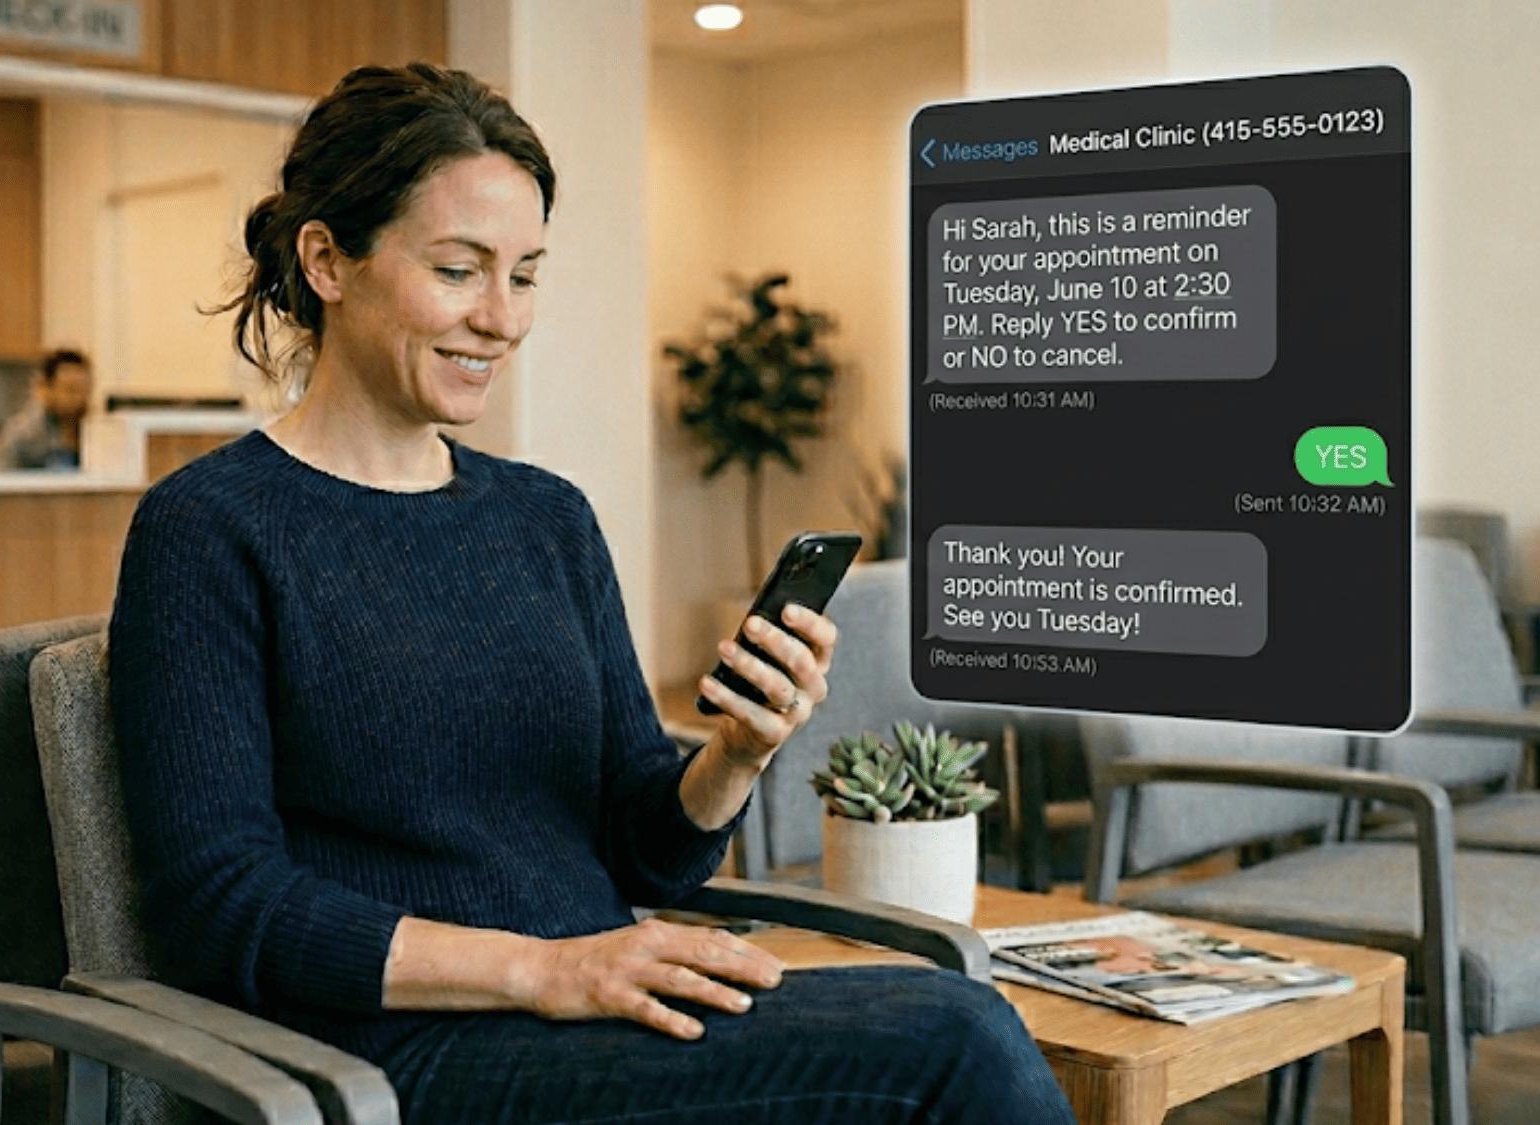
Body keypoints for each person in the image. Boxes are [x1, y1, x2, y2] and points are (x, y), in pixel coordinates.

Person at [107, 63, 1075, 1125]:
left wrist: (737, 754)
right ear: (328, 260)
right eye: (458, 269)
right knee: (949, 1042)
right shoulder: (209, 529)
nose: (500, 319)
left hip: (596, 1013)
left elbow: (640, 850)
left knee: (945, 1010)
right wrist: (543, 971)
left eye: (524, 275)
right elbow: (219, 905)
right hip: (398, 1059)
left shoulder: (545, 519)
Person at [0, 347, 91, 470]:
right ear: (45, 389)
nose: (79, 398)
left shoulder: (92, 433)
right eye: (70, 390)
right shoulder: (22, 435)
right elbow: (2, 482)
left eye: (84, 390)